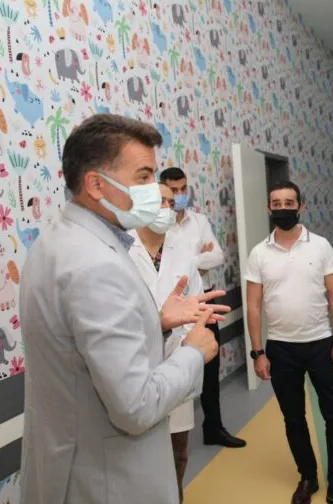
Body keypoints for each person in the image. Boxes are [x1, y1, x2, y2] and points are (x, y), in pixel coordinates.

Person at [19, 114, 229, 504]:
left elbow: (84, 349)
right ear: (96, 184)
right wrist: (193, 352)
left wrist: (157, 323)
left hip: (69, 462)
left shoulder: (59, 242)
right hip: (105, 480)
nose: (154, 191)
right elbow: (135, 407)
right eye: (144, 177)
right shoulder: (96, 264)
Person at [245, 181, 333, 504]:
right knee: (294, 418)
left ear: (300, 207)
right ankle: (308, 478)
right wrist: (258, 352)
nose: (282, 208)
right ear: (268, 208)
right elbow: (253, 306)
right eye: (276, 203)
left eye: (289, 202)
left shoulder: (321, 246)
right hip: (280, 349)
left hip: (321, 345)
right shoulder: (259, 253)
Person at [160, 167, 247, 449]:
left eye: (183, 189)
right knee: (171, 366)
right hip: (172, 306)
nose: (179, 195)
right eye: (173, 190)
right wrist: (197, 259)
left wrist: (188, 262)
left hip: (204, 301)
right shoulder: (159, 224)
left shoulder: (199, 221)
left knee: (210, 365)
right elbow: (165, 265)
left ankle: (214, 428)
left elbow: (218, 256)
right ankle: (167, 437)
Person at [129, 182, 204, 503]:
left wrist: (190, 343)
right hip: (134, 368)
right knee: (139, 458)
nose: (167, 209)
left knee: (177, 454)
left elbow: (197, 304)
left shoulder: (182, 253)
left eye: (171, 203)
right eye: (160, 201)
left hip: (177, 362)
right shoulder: (122, 252)